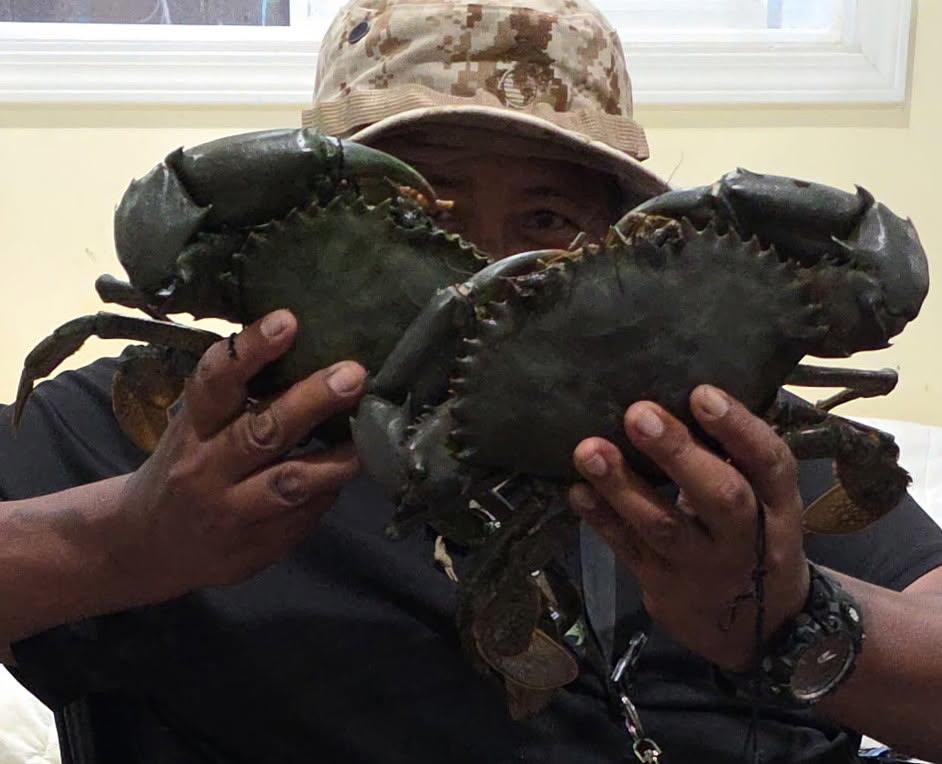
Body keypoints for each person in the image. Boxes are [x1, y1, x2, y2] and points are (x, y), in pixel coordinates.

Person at [1, 0, 941, 761]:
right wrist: (123, 545)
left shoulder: (727, 447)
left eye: (547, 218)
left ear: (614, 240)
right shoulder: (171, 437)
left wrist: (793, 616)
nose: (488, 269)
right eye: (421, 213)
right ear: (300, 224)